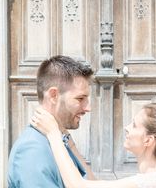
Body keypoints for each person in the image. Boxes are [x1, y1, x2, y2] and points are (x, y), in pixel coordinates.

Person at [31, 102, 156, 188]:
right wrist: (69, 142)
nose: (127, 128)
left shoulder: (154, 182)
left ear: (148, 140)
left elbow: (78, 186)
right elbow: (94, 183)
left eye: (134, 125)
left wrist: (53, 133)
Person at [8, 55, 95, 187]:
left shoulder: (59, 140)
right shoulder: (32, 150)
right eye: (80, 98)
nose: (88, 108)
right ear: (54, 95)